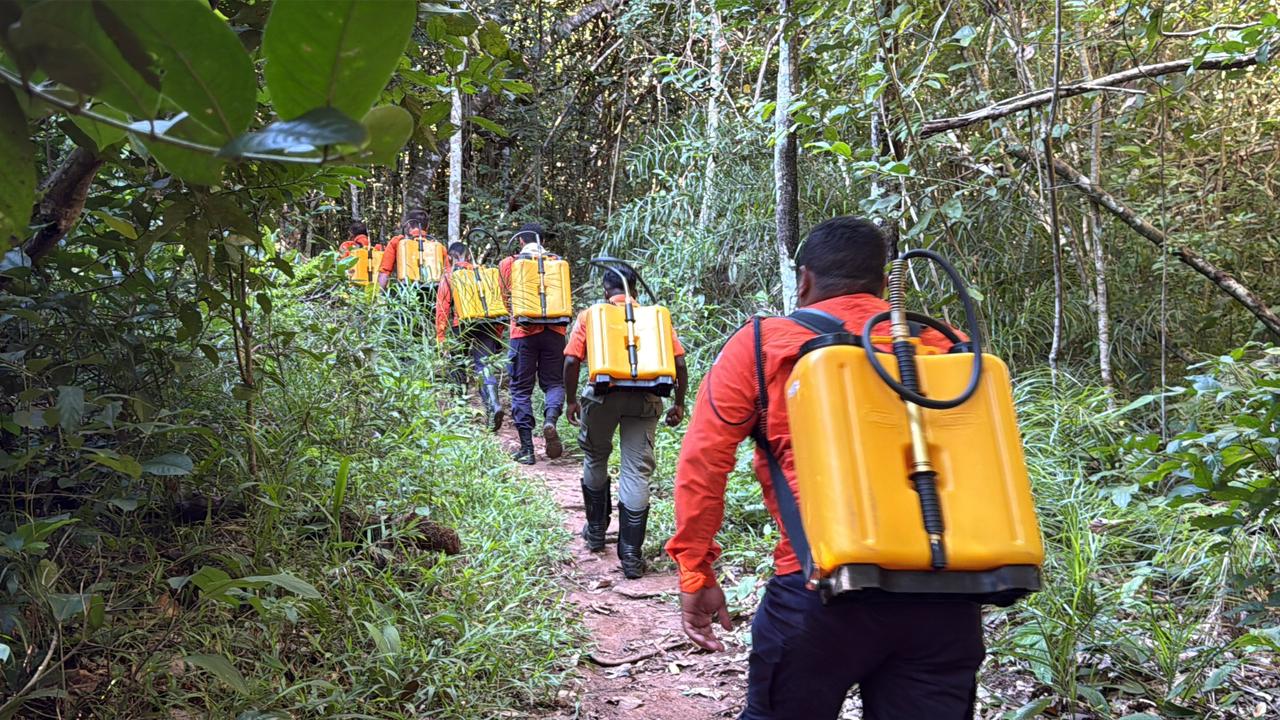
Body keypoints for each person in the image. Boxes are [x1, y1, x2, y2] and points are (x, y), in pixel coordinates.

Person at [665, 216, 979, 719]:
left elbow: (703, 463)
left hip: (819, 591)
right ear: (881, 283)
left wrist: (695, 572)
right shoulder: (944, 344)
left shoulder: (763, 342)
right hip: (945, 598)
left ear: (804, 279)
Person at [563, 265, 687, 579]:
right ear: (635, 290)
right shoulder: (653, 318)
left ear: (606, 291)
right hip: (645, 401)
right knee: (636, 472)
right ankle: (630, 555)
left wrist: (571, 400)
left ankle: (595, 531)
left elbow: (570, 360)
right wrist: (680, 403)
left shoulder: (592, 316)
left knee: (595, 456)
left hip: (602, 399)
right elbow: (680, 362)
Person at [498, 223, 567, 465]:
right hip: (556, 331)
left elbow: (506, 299)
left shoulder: (510, 263)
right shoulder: (556, 263)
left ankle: (527, 449)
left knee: (520, 389)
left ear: (519, 241)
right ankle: (550, 420)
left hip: (523, 333)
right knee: (554, 382)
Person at [436, 242, 506, 432]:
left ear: (450, 257)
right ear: (468, 256)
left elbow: (442, 310)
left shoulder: (449, 276)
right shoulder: (484, 274)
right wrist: (498, 333)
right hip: (487, 325)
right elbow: (498, 304)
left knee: (457, 365)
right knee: (483, 366)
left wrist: (441, 338)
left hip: (461, 327)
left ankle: (459, 413)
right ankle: (493, 405)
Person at [377, 209, 430, 290]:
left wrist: (377, 298)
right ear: (427, 226)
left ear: (408, 225)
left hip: (405, 291)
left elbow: (384, 272)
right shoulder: (436, 247)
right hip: (432, 291)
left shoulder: (397, 242)